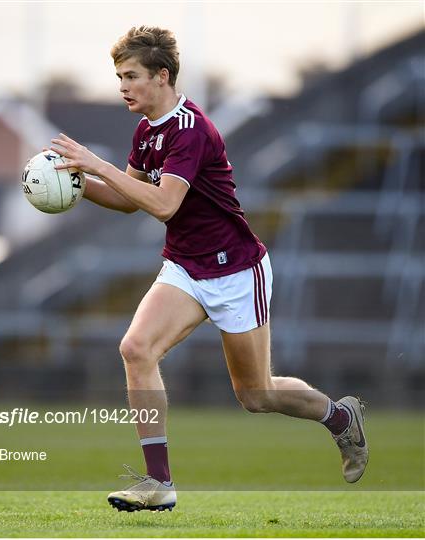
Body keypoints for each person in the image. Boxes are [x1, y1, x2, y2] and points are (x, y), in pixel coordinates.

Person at [49, 26, 368, 513]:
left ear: (162, 75)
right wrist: (72, 184)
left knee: (256, 394)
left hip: (237, 270)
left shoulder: (192, 129)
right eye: (118, 77)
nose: (122, 87)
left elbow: (162, 204)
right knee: (136, 348)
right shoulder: (145, 132)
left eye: (131, 76)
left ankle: (340, 419)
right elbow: (127, 200)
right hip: (184, 267)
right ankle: (159, 483)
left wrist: (96, 163)